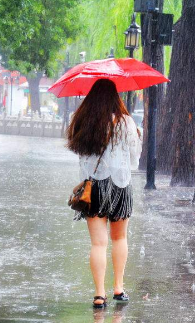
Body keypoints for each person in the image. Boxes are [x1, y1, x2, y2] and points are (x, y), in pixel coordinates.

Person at [66, 79, 141, 309]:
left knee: (98, 244)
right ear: (114, 97)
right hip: (120, 186)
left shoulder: (83, 121)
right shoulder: (125, 122)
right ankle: (118, 288)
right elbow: (135, 160)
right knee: (120, 238)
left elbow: (80, 157)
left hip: (94, 189)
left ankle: (99, 295)